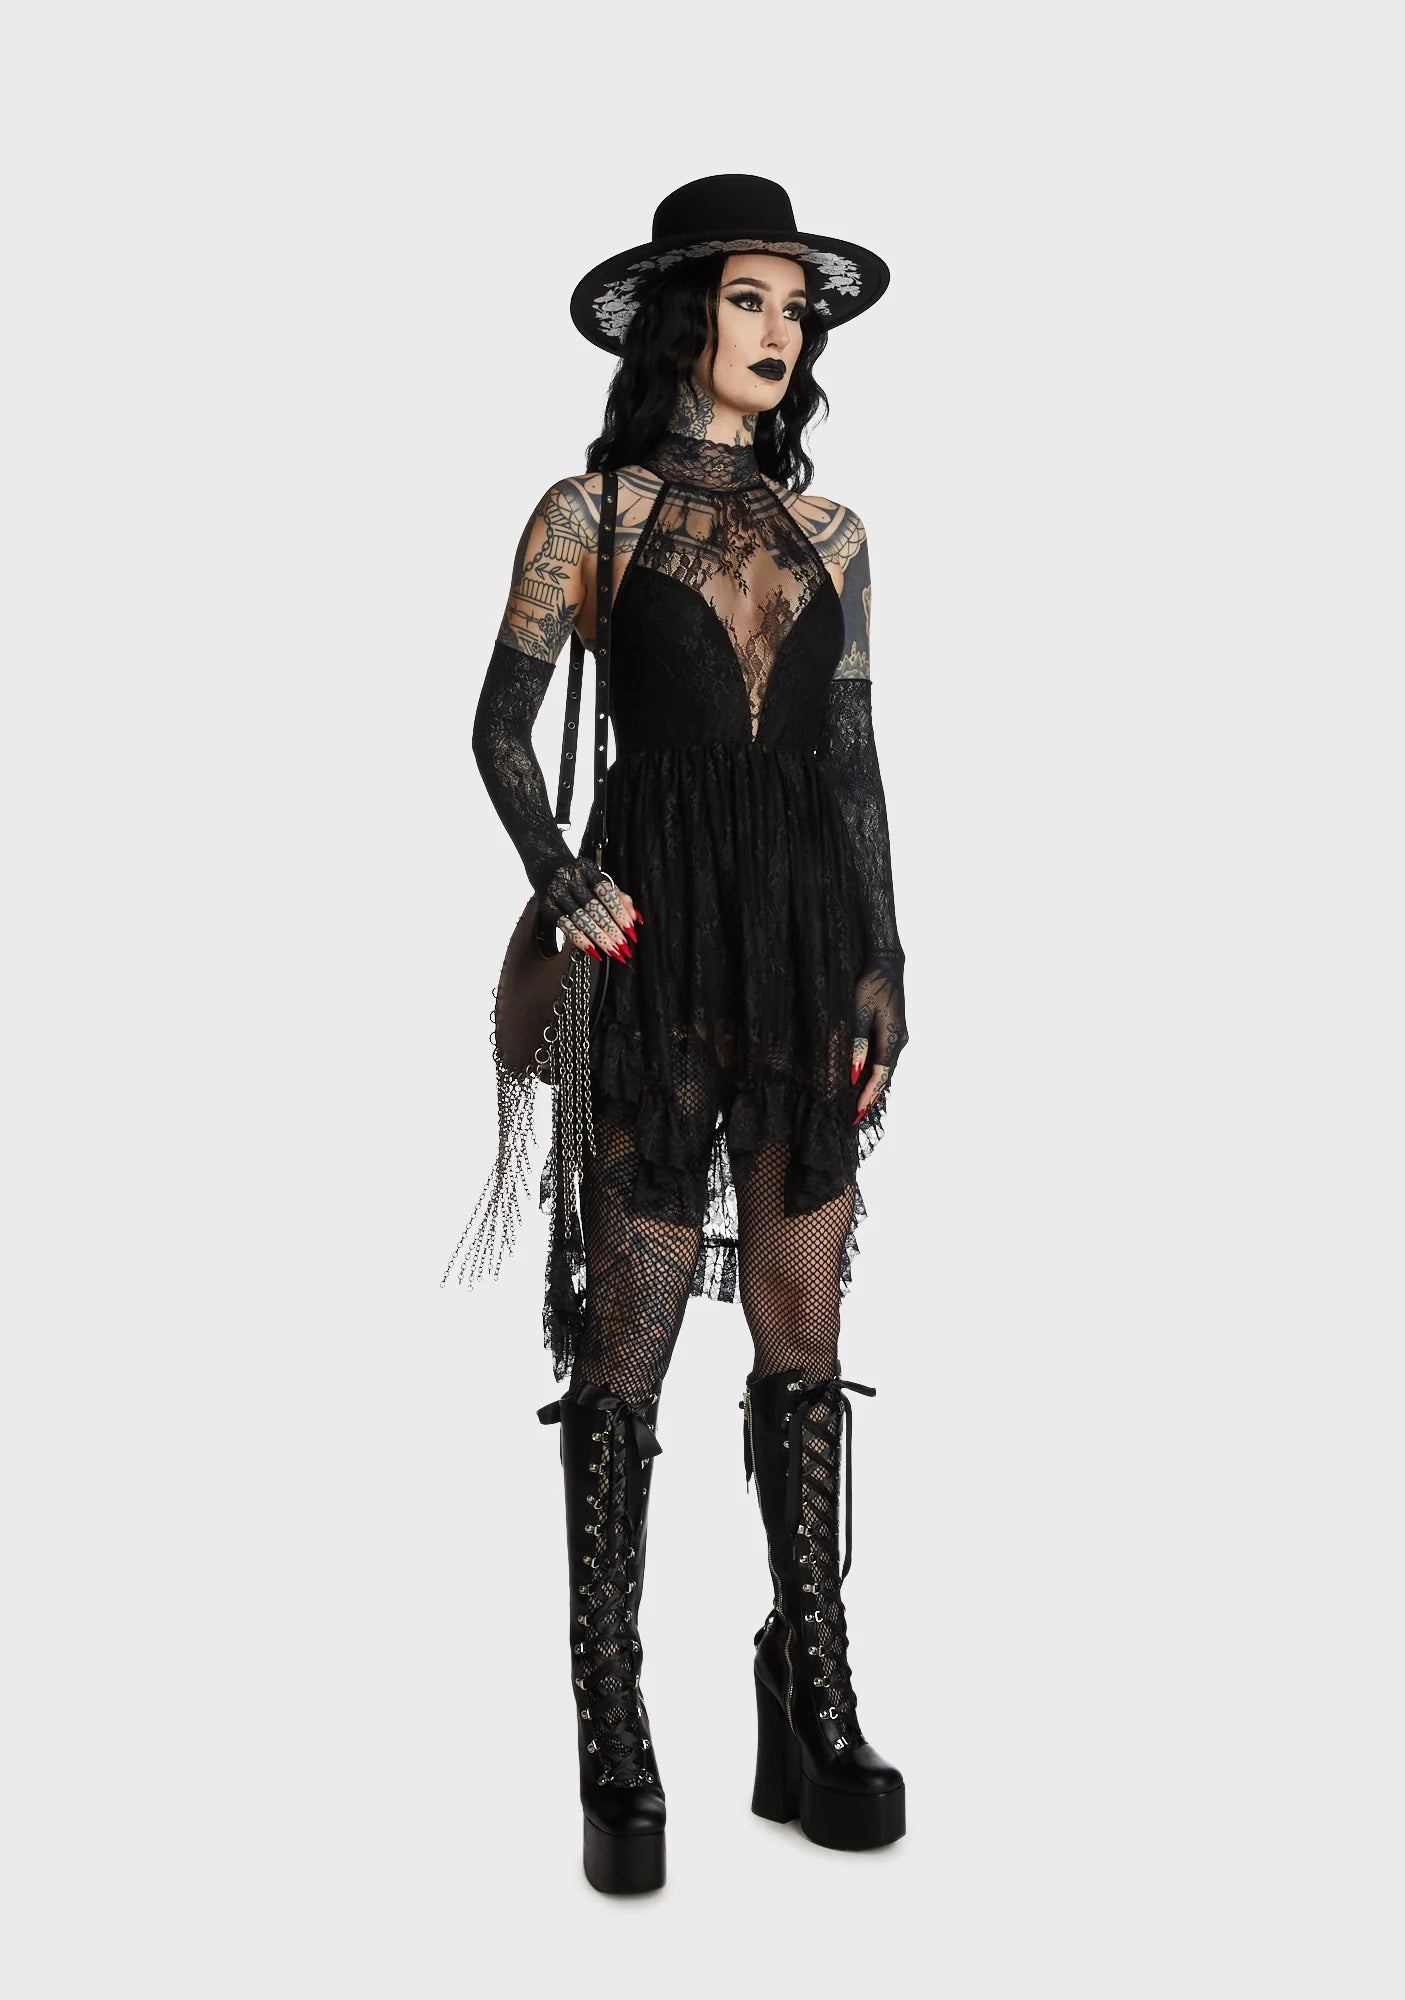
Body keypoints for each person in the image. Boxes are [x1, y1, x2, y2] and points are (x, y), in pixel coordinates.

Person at [445, 176, 910, 1893]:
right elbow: (500, 727)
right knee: (629, 1335)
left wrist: (884, 959)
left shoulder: (833, 532)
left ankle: (809, 1689)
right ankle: (612, 1719)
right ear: (680, 322)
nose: (779, 331)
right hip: (657, 947)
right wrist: (560, 876)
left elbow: (851, 764)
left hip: (799, 947)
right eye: (747, 300)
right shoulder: (593, 510)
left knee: (803, 1318)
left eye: (796, 307)